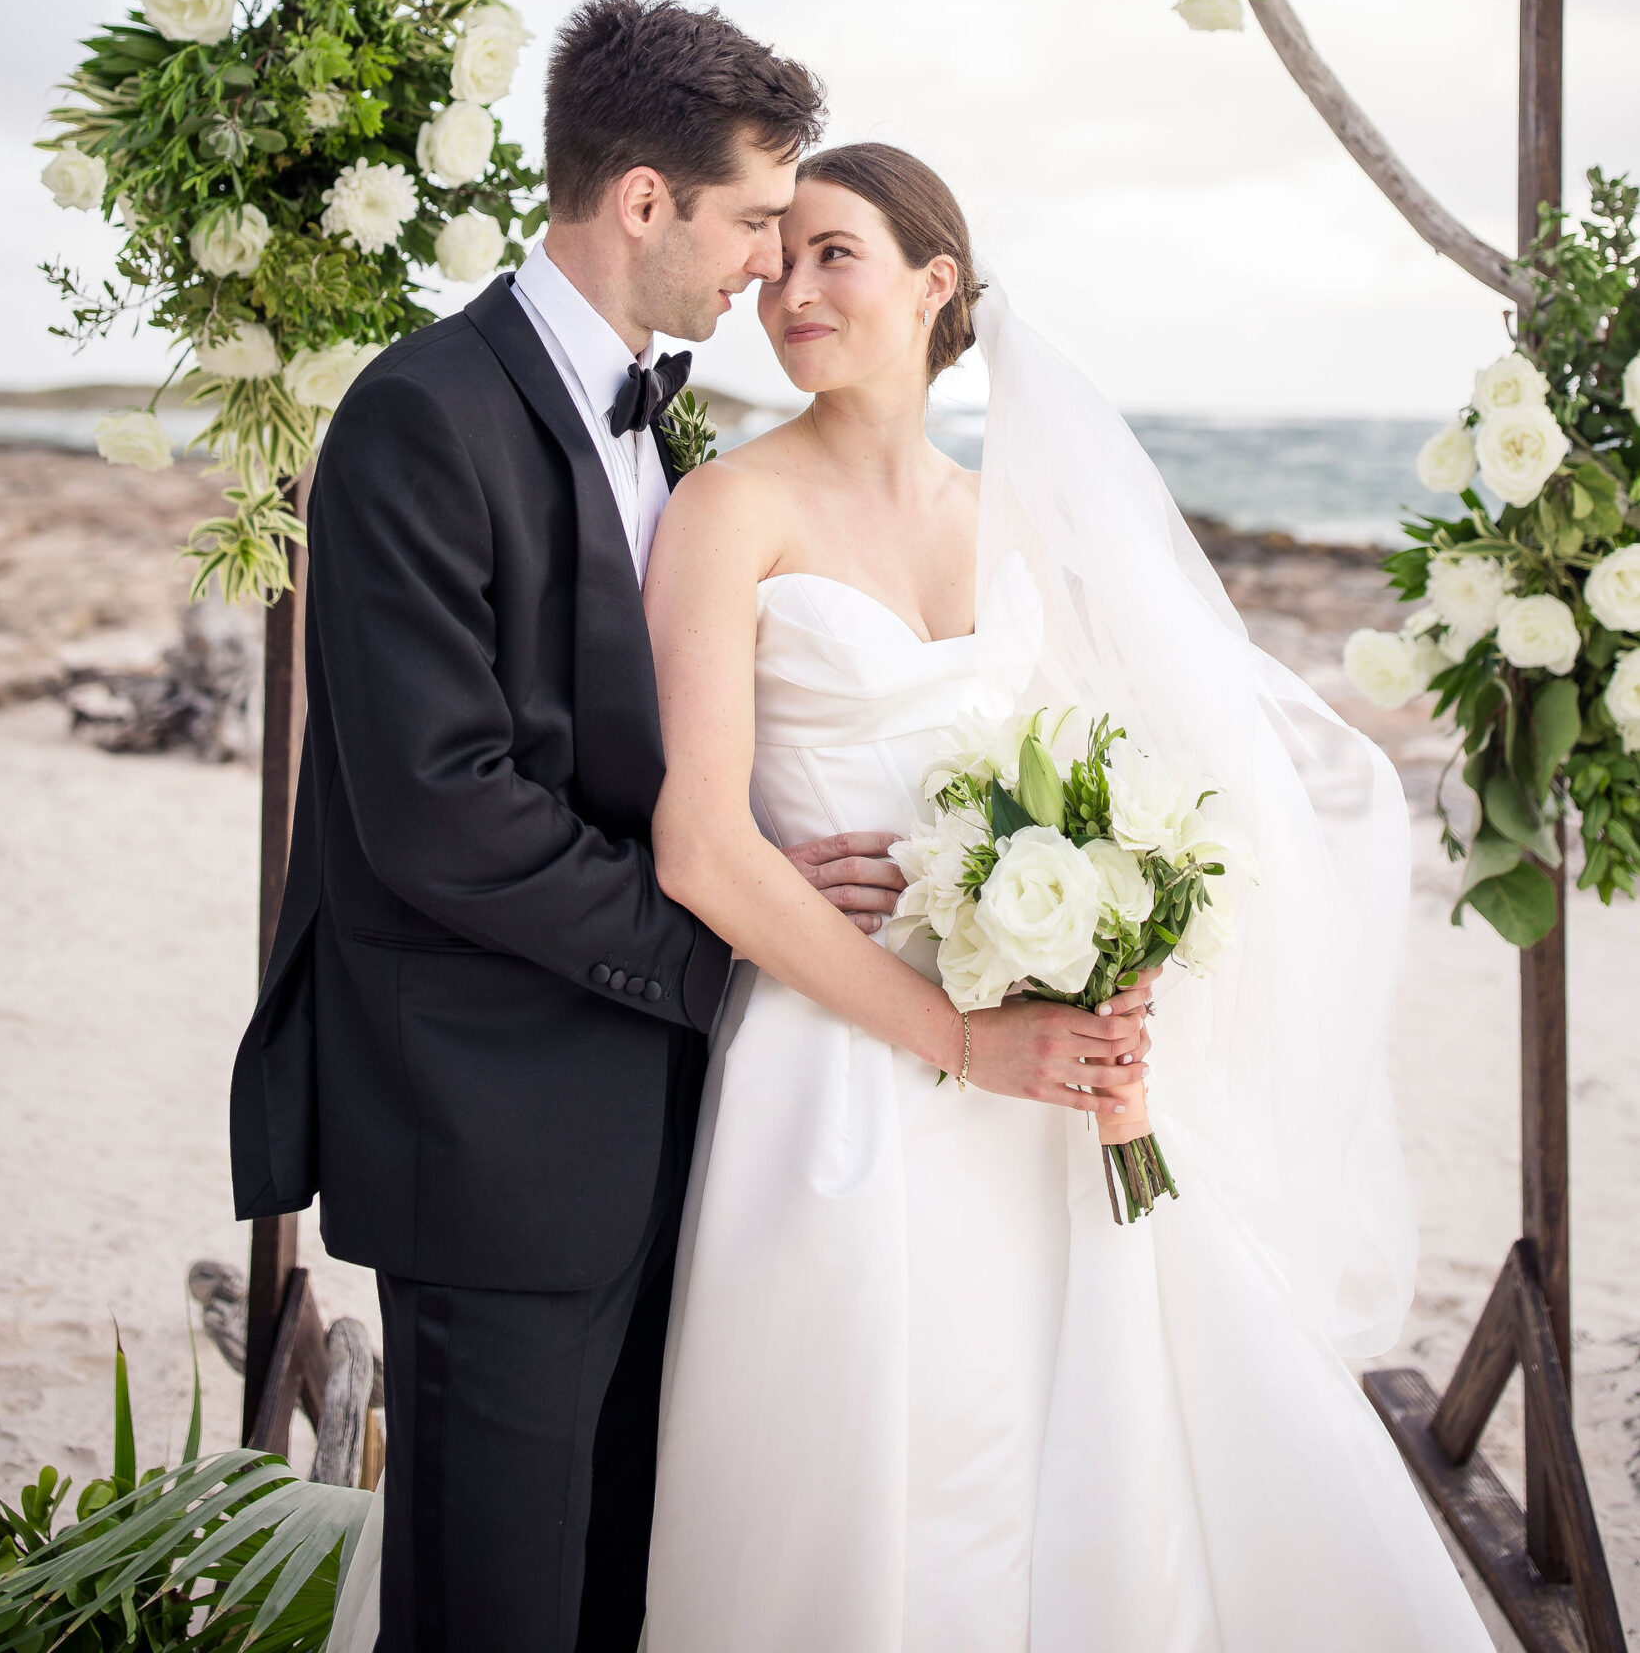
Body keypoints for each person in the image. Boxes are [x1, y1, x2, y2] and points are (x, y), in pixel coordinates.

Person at [640, 142, 1494, 1653]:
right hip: (837, 1070)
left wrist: (1120, 926)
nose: (790, 286)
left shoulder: (1013, 514)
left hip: (1045, 1066)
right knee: (874, 1476)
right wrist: (958, 1037)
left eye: (836, 252)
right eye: (779, 259)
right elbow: (701, 850)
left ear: (935, 283)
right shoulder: (727, 508)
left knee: (1078, 1446)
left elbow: (1111, 776)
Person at [236, 0, 882, 1653]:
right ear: (644, 200)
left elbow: (638, 736)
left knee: (612, 1590)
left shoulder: (657, 412)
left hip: (657, 1122)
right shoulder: (416, 415)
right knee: (490, 1607)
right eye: (750, 219)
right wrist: (724, 937)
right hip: (489, 1126)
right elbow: (442, 810)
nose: (765, 261)